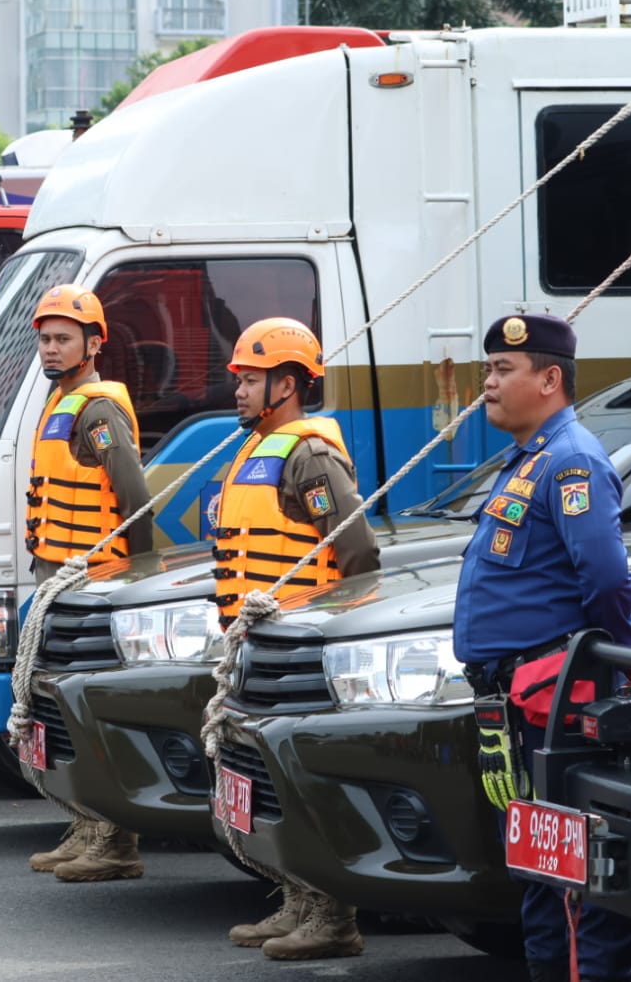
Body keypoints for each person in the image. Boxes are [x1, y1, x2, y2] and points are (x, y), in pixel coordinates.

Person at [451, 313, 631, 982]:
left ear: (549, 378)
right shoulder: (529, 459)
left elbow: (605, 578)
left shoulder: (571, 460)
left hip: (553, 704)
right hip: (516, 703)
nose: (487, 384)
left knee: (568, 880)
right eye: (487, 371)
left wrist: (608, 659)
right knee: (538, 869)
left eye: (502, 371)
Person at [216, 317, 380, 961]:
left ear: (287, 384)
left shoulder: (308, 453)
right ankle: (297, 898)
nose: (239, 391)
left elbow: (357, 549)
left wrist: (333, 632)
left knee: (298, 780)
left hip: (295, 648)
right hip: (255, 644)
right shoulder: (259, 447)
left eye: (250, 380)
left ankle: (331, 915)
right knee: (263, 779)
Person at [22, 284, 154, 882]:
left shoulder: (97, 410)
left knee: (90, 711)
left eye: (63, 339)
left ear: (94, 344)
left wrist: (139, 580)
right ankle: (87, 822)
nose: (50, 349)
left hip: (93, 583)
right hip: (60, 580)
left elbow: (134, 501)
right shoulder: (60, 402)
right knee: (60, 712)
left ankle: (114, 840)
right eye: (45, 339)